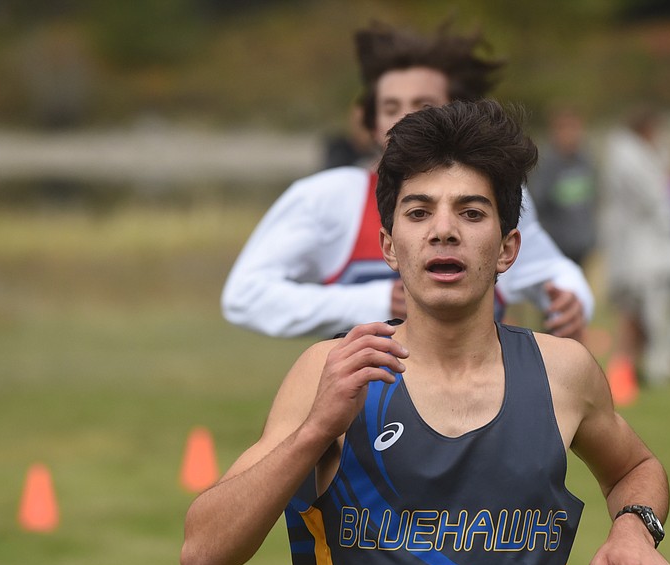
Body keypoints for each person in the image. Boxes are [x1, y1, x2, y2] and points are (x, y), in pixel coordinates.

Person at [182, 100, 670, 565]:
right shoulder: (330, 375)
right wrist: (317, 427)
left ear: (507, 247)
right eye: (418, 213)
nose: (444, 231)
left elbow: (636, 468)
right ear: (389, 245)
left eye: (471, 213)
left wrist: (635, 528)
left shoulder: (563, 375)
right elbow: (203, 553)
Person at [221, 21, 594, 343]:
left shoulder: (488, 192)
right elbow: (245, 296)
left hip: (477, 408)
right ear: (370, 122)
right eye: (390, 107)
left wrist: (571, 300)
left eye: (423, 104)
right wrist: (376, 301)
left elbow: (549, 273)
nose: (404, 119)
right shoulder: (328, 197)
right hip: (365, 417)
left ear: (457, 111)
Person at [600, 105, 670, 385]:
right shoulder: (630, 159)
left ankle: (635, 367)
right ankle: (652, 368)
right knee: (649, 312)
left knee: (640, 314)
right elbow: (657, 202)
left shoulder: (634, 156)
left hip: (641, 250)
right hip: (642, 251)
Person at [529, 106, 600, 269]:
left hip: (582, 245)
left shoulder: (585, 160)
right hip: (555, 247)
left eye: (574, 128)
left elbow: (593, 199)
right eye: (565, 129)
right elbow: (537, 203)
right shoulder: (545, 164)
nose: (570, 134)